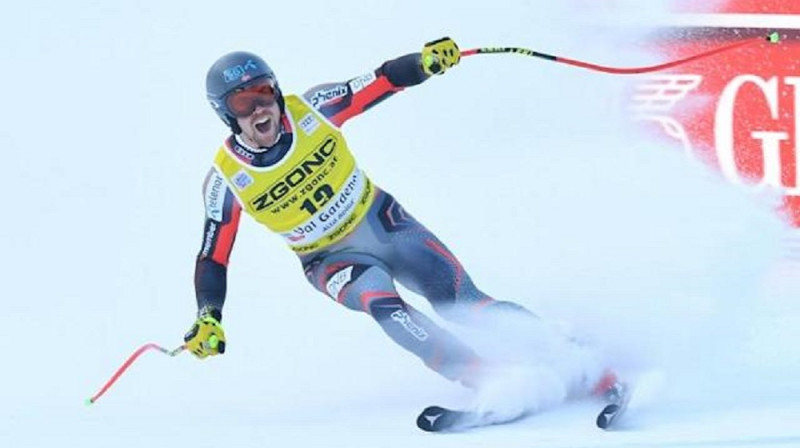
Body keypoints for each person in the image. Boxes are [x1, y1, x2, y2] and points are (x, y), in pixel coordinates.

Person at [184, 37, 619, 420]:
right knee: (385, 306)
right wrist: (209, 316)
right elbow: (213, 257)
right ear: (228, 115)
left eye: (264, 92)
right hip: (331, 260)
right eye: (244, 103)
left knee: (461, 303)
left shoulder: (312, 109)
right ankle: (491, 381)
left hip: (382, 221)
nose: (261, 108)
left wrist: (425, 63)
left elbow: (379, 81)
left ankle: (565, 349)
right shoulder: (225, 180)